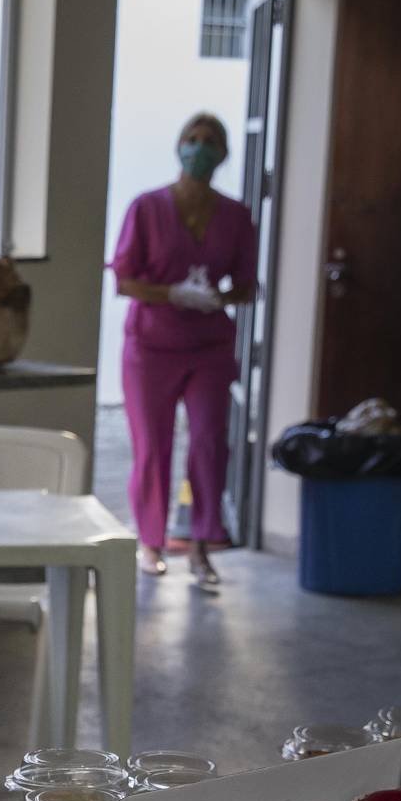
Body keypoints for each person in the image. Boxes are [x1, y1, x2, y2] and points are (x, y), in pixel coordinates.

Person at [110, 112, 259, 588]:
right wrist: (173, 294)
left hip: (209, 346)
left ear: (223, 154)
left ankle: (201, 544)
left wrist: (216, 296)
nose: (199, 148)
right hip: (152, 345)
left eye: (210, 141)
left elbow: (247, 286)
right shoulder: (147, 208)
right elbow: (125, 278)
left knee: (208, 441)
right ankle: (150, 542)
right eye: (191, 140)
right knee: (152, 445)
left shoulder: (235, 216)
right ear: (178, 148)